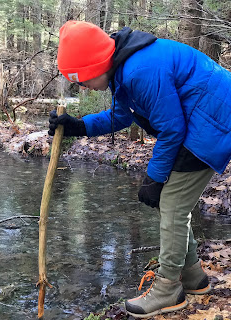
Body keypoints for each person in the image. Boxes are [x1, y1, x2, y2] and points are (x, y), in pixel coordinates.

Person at [48, 20, 231, 318]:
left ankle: (169, 289)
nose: (80, 86)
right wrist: (79, 126)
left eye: (80, 80)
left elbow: (171, 129)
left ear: (95, 67)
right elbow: (122, 116)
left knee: (172, 206)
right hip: (199, 122)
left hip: (212, 124)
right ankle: (194, 276)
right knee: (174, 205)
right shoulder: (122, 66)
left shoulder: (139, 69)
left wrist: (154, 178)